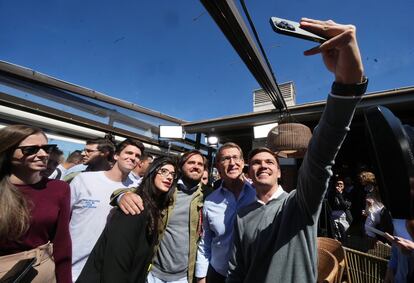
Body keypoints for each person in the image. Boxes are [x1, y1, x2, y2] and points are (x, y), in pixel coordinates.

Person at [227, 18, 367, 282]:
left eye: (269, 161)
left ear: (279, 171)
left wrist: (346, 86)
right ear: (249, 172)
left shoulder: (299, 204)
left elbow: (320, 156)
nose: (262, 165)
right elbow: (237, 269)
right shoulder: (242, 215)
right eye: (255, 162)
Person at [113, 150, 211, 283]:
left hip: (183, 276)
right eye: (191, 162)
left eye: (200, 164)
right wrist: (121, 195)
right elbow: (142, 190)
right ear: (181, 166)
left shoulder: (208, 195)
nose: (196, 166)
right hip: (154, 272)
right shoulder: (168, 189)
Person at [76, 157, 178, 283]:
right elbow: (116, 264)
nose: (169, 177)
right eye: (163, 171)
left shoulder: (155, 208)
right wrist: (122, 196)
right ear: (151, 173)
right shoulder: (134, 206)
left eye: (173, 174)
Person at [0, 125, 71, 282]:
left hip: (42, 271)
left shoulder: (59, 188)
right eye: (30, 150)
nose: (43, 154)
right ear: (8, 151)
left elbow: (62, 242)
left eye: (47, 148)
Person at [69, 138, 144, 281]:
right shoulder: (84, 180)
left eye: (137, 155)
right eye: (129, 153)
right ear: (116, 155)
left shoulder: (137, 189)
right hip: (74, 265)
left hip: (104, 268)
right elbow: (64, 216)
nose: (133, 158)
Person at [196, 143, 256, 283]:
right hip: (218, 274)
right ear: (217, 165)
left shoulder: (258, 193)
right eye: (226, 159)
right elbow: (205, 242)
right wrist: (201, 277)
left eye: (236, 158)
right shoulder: (210, 201)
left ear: (242, 162)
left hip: (252, 273)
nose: (232, 163)